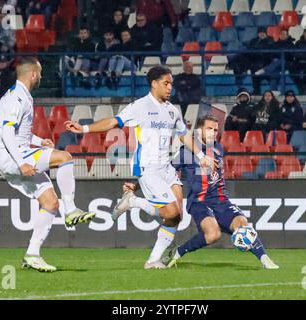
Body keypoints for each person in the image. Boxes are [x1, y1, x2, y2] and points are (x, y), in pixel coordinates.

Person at [64, 65, 216, 269]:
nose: (170, 87)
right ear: (154, 84)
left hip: (167, 168)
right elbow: (113, 122)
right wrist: (83, 128)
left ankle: (153, 261)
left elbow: (183, 134)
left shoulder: (172, 110)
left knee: (177, 215)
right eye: (166, 83)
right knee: (170, 213)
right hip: (148, 167)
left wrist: (200, 155)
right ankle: (133, 202)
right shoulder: (140, 106)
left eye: (171, 83)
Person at [0, 57, 95, 272]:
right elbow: (6, 132)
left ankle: (32, 254)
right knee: (65, 158)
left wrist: (40, 142)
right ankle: (71, 211)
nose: (40, 76)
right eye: (39, 73)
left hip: (18, 154)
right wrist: (22, 162)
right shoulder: (17, 98)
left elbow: (19, 131)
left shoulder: (21, 95)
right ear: (32, 73)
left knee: (50, 203)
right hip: (14, 157)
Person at [161, 114, 279, 269]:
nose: (213, 132)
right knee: (212, 235)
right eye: (209, 128)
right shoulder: (185, 152)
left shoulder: (218, 148)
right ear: (199, 130)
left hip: (221, 200)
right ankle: (178, 253)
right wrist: (138, 186)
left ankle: (265, 260)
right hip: (199, 202)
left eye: (216, 130)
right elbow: (165, 172)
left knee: (243, 225)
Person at [246, 27, 276, 95]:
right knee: (254, 71)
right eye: (260, 32)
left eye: (263, 32)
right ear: (258, 33)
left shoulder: (270, 40)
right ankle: (256, 92)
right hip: (256, 63)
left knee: (273, 75)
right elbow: (249, 52)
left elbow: (271, 53)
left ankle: (273, 92)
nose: (262, 34)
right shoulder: (253, 41)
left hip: (267, 63)